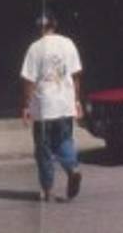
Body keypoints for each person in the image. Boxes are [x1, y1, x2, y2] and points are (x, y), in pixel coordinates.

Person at [20, 11, 83, 202]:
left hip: (44, 108)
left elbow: (28, 81)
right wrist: (76, 101)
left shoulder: (35, 48)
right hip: (64, 106)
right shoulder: (69, 44)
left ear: (39, 27)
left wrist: (26, 106)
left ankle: (47, 189)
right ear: (54, 25)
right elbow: (76, 76)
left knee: (44, 149)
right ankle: (72, 168)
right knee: (64, 141)